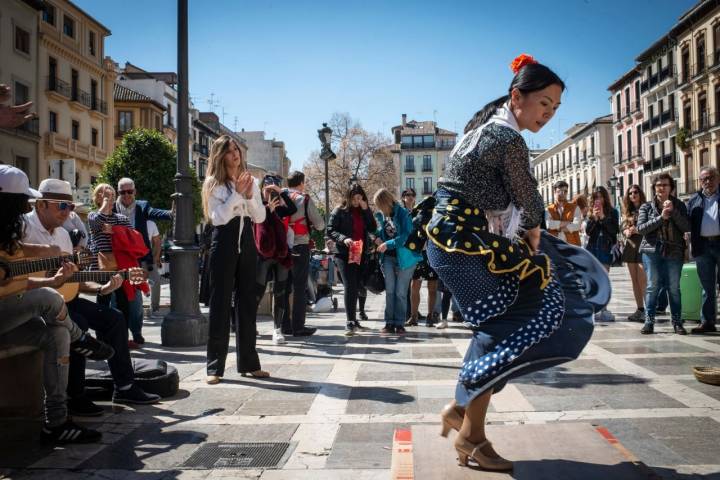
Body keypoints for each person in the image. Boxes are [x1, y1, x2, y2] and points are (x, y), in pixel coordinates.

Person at [410, 55, 605, 471]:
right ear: (516, 96)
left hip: (458, 240)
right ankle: (470, 430)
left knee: (501, 326)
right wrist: (534, 231)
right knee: (514, 321)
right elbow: (529, 197)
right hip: (465, 242)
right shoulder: (507, 138)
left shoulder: (483, 129)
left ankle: (464, 415)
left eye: (555, 108)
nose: (548, 114)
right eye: (543, 104)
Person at [24, 178, 161, 414]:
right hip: (35, 305)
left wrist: (101, 288)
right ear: (41, 205)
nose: (68, 213)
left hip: (66, 300)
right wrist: (49, 280)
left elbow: (71, 281)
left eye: (71, 208)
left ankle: (125, 385)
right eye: (62, 207)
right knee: (79, 322)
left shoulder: (64, 235)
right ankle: (74, 396)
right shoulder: (23, 229)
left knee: (115, 318)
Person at [0, 165, 103, 444]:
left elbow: (14, 276)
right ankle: (81, 338)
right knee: (50, 300)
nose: (25, 208)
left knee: (57, 333)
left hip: (9, 315)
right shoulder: (20, 226)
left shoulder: (9, 233)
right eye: (22, 202)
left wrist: (53, 278)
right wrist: (47, 284)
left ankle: (56, 422)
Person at [202, 135, 268, 385]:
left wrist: (250, 195)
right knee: (219, 304)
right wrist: (236, 195)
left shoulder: (252, 181)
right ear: (220, 156)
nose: (235, 154)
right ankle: (214, 367)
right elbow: (217, 218)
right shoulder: (213, 184)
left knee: (247, 303)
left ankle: (249, 363)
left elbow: (260, 217)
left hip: (247, 243)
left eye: (236, 150)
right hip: (224, 242)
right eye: (229, 151)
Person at [114, 178, 173, 342]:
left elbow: (157, 213)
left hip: (136, 260)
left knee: (135, 300)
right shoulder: (111, 208)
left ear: (135, 191)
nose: (126, 195)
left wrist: (171, 213)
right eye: (122, 192)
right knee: (116, 299)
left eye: (129, 191)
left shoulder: (142, 206)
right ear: (118, 193)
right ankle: (119, 334)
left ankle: (136, 332)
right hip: (116, 259)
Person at [636, 173, 690, 335]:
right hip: (652, 252)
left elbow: (687, 226)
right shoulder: (646, 207)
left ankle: (677, 322)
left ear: (671, 188)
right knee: (652, 287)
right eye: (658, 185)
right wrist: (661, 217)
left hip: (674, 251)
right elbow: (641, 228)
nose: (661, 188)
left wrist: (672, 212)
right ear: (654, 188)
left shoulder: (679, 205)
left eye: (665, 185)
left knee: (673, 288)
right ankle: (649, 322)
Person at [327, 184, 377, 336]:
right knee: (349, 285)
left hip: (359, 251)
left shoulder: (363, 211)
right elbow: (330, 230)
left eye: (359, 198)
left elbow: (372, 228)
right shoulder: (339, 211)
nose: (356, 201)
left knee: (356, 286)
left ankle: (354, 320)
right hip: (344, 252)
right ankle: (349, 321)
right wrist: (344, 239)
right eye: (354, 198)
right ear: (348, 197)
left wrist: (366, 209)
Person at [254, 173, 297, 345]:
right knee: (257, 291)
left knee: (280, 292)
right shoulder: (257, 205)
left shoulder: (280, 207)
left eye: (274, 187)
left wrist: (282, 192)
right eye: (267, 187)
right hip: (263, 255)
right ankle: (250, 324)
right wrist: (265, 205)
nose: (270, 191)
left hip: (280, 254)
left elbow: (293, 209)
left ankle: (277, 329)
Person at [283, 171, 325, 337]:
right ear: (301, 183)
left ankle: (284, 325)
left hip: (282, 247)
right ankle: (298, 326)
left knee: (284, 286)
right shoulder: (304, 198)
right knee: (299, 287)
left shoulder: (280, 195)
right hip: (300, 245)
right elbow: (320, 225)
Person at [373, 188, 419, 335]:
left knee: (400, 292)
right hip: (387, 257)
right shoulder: (381, 215)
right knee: (390, 291)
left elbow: (406, 235)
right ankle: (389, 323)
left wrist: (388, 244)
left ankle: (399, 324)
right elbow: (377, 231)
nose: (379, 209)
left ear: (386, 202)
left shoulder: (402, 213)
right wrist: (376, 238)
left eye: (380, 205)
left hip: (405, 258)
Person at [686, 165, 720, 334]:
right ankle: (707, 321)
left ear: (718, 178)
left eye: (711, 177)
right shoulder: (693, 200)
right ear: (700, 182)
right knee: (707, 286)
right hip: (702, 246)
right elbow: (686, 223)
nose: (708, 181)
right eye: (705, 179)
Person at [585, 186, 619, 322]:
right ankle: (592, 309)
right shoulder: (590, 213)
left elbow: (614, 230)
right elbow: (588, 231)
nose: (598, 200)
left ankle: (603, 309)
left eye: (600, 197)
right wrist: (594, 218)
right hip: (592, 250)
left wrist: (603, 218)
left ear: (605, 198)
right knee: (593, 280)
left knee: (604, 281)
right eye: (595, 197)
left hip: (605, 250)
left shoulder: (613, 212)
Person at [621, 185, 648, 322]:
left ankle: (649, 310)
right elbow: (623, 227)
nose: (633, 195)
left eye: (636, 192)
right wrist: (626, 231)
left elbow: (651, 225)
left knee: (643, 280)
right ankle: (640, 309)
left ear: (640, 193)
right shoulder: (627, 211)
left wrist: (637, 230)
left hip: (643, 245)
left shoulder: (647, 207)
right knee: (634, 280)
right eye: (630, 193)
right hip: (631, 246)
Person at [545, 180, 582, 246]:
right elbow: (549, 225)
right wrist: (568, 223)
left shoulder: (575, 207)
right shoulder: (548, 209)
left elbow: (577, 226)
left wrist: (558, 227)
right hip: (555, 246)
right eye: (559, 191)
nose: (562, 193)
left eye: (565, 191)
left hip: (572, 246)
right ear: (554, 192)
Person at [146, 219, 162, 315]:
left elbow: (157, 242)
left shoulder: (151, 223)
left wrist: (155, 257)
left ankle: (155, 308)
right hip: (133, 256)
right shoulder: (130, 219)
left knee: (155, 281)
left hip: (148, 257)